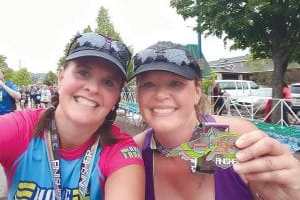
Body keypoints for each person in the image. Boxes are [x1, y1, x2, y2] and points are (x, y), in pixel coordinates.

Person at [129, 41, 300, 200]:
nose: (160, 95)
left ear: (197, 91)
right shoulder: (133, 153)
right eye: (148, 85)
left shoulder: (238, 138)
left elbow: (275, 191)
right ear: (138, 95)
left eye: (176, 84)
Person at [0, 32, 145, 200]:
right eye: (83, 73)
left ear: (116, 97)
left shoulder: (120, 151)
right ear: (61, 77)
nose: (93, 88)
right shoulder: (20, 128)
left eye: (108, 82)